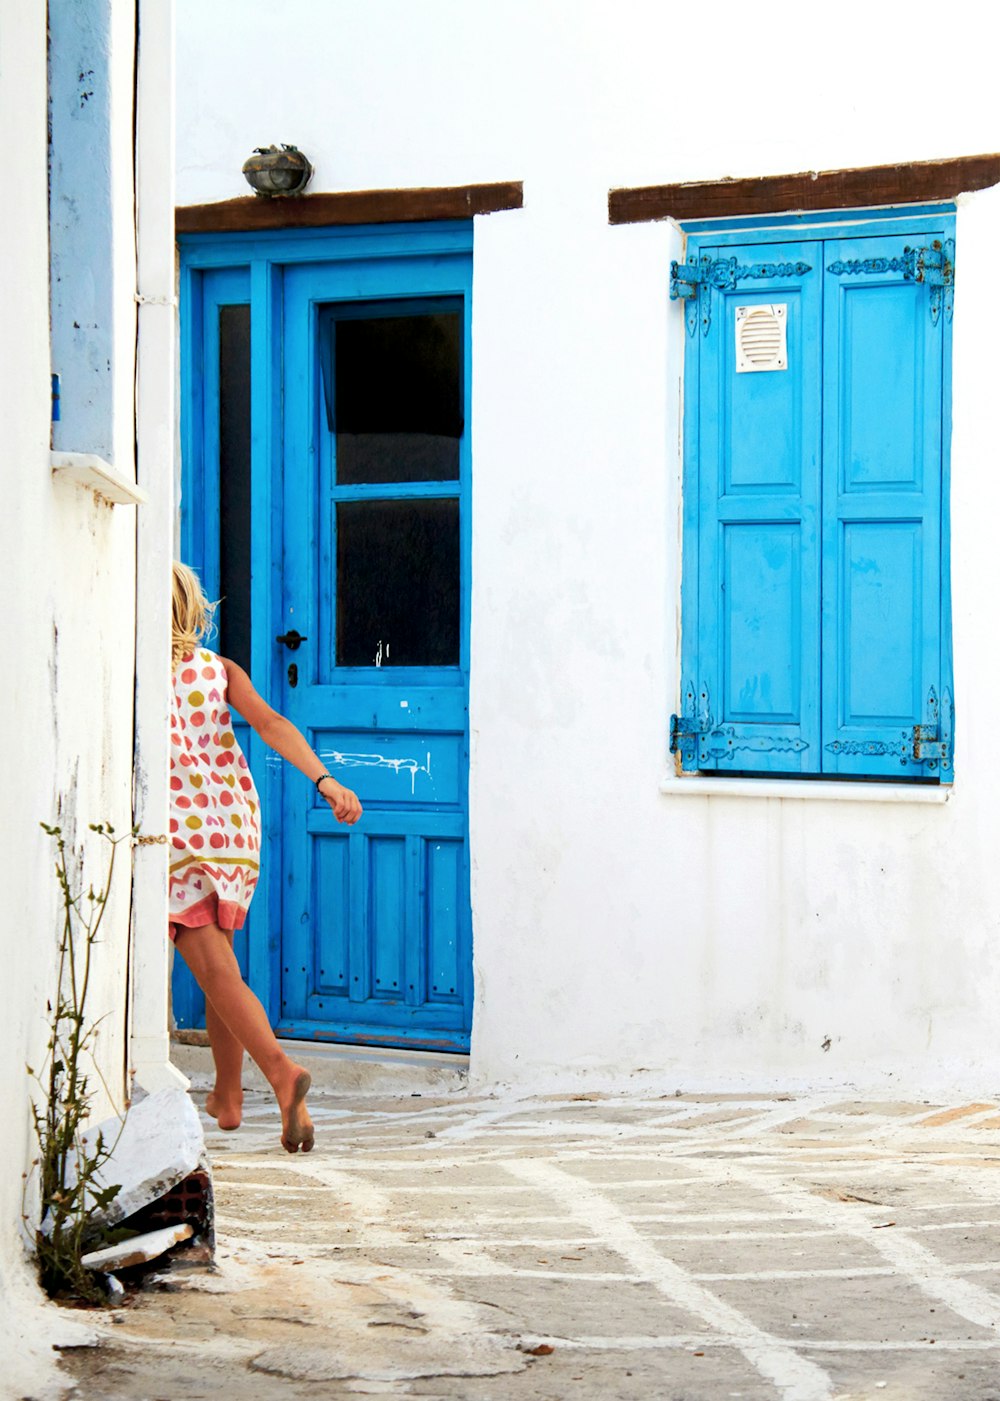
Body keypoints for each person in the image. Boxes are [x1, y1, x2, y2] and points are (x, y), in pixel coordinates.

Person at [169, 561, 362, 1152]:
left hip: (176, 829)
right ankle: (228, 1097)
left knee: (211, 964)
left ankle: (280, 1072)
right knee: (219, 961)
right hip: (231, 827)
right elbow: (273, 723)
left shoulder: (128, 665)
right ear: (190, 610)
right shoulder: (218, 668)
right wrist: (326, 782)